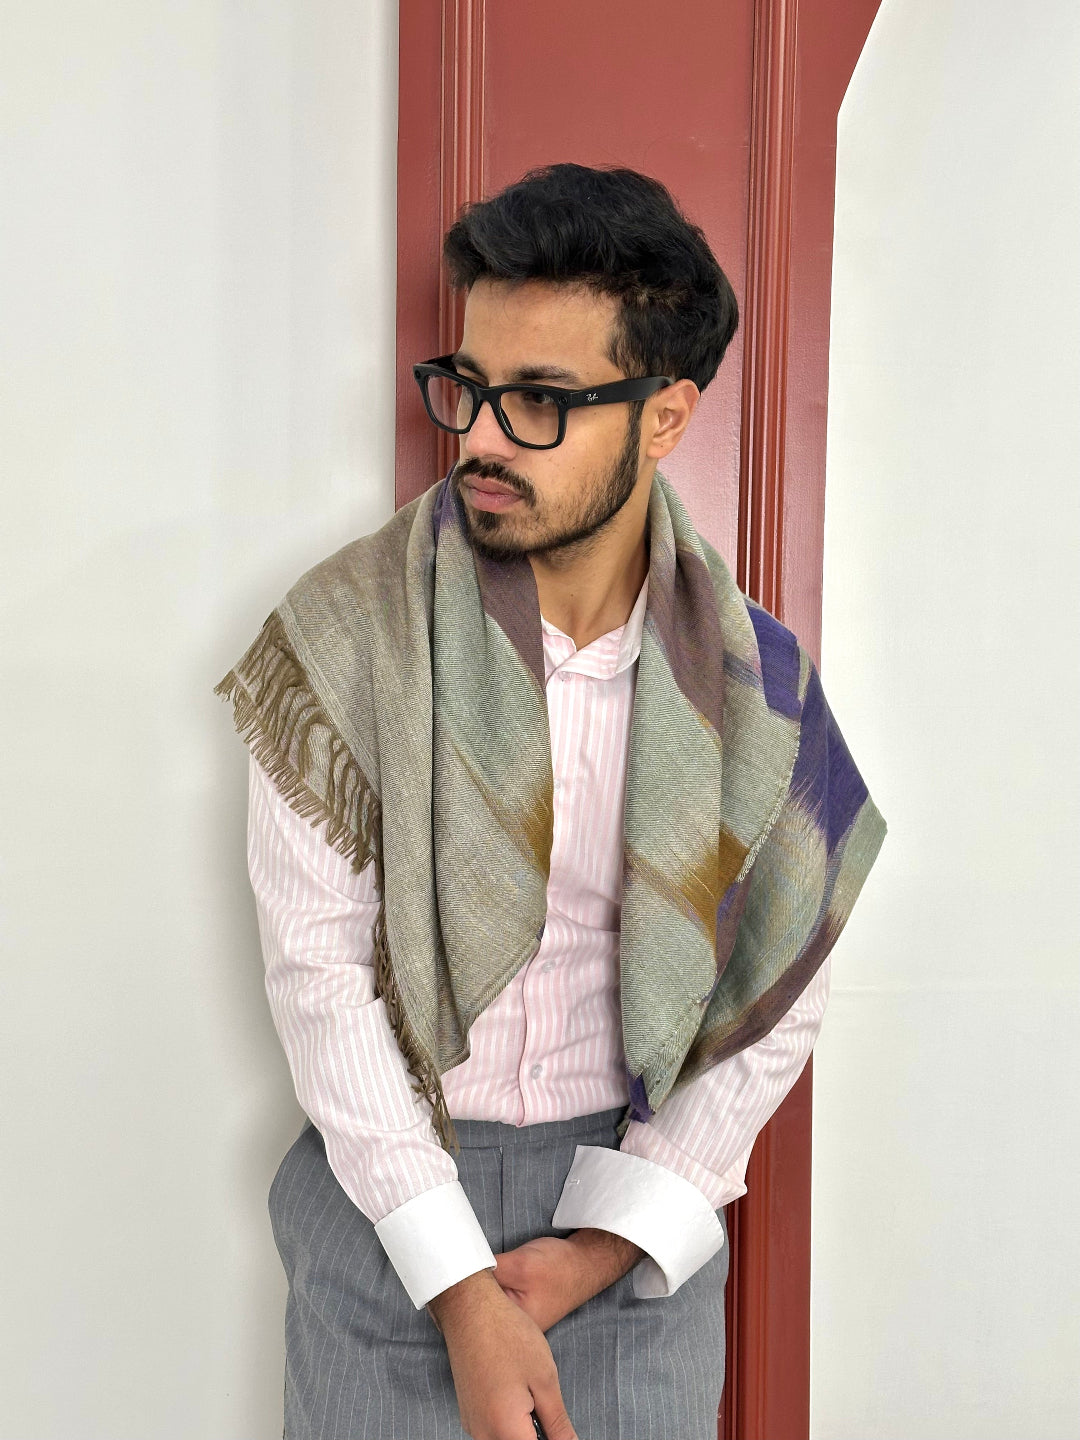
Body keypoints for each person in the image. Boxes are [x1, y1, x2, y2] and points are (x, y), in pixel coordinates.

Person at [216, 163, 886, 1440]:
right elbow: (320, 982)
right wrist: (460, 1285)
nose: (477, 437)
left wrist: (612, 1240)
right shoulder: (344, 640)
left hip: (629, 1220)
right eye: (468, 387)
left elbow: (775, 996)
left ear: (666, 417)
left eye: (539, 402)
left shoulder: (759, 690)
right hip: (387, 1210)